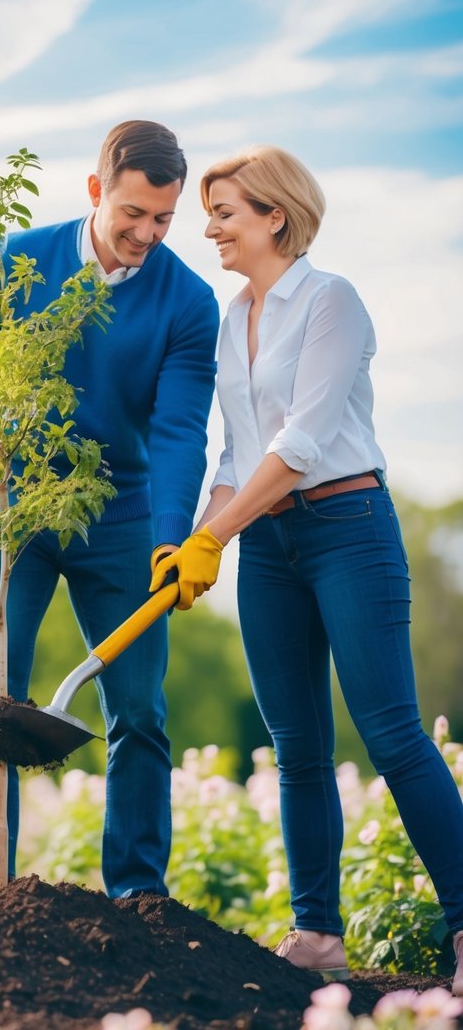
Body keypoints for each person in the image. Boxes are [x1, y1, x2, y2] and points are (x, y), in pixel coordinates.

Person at [150, 145, 463, 990]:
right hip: (271, 550)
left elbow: (300, 445)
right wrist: (190, 540)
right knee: (295, 748)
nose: (207, 226)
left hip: (346, 527)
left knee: (393, 733)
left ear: (273, 216)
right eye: (209, 212)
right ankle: (318, 935)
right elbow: (236, 453)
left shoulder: (330, 302)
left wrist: (219, 535)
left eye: (224, 211)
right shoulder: (229, 318)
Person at [0, 120, 219, 898]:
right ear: (96, 191)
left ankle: (138, 894)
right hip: (8, 501)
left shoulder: (189, 304)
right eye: (132, 213)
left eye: (163, 220)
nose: (146, 233)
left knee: (138, 707)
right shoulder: (15, 260)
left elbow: (176, 433)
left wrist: (174, 539)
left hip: (121, 514)